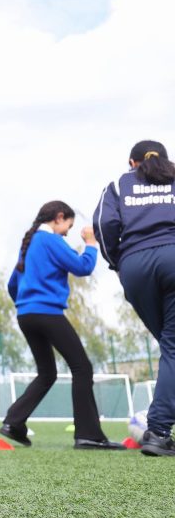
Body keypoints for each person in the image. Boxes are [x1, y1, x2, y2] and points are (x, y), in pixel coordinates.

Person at [0, 201, 123, 450]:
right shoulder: (50, 240)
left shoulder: (29, 244)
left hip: (26, 315)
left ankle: (13, 422)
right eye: (68, 225)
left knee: (47, 373)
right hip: (46, 312)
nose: (67, 231)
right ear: (58, 217)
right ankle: (88, 435)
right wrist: (90, 243)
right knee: (82, 368)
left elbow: (13, 284)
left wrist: (27, 303)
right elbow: (83, 267)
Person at [93, 140, 175, 456]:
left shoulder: (119, 183)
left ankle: (159, 423)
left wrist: (118, 262)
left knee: (170, 347)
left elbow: (104, 224)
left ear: (132, 162)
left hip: (135, 267)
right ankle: (158, 430)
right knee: (173, 347)